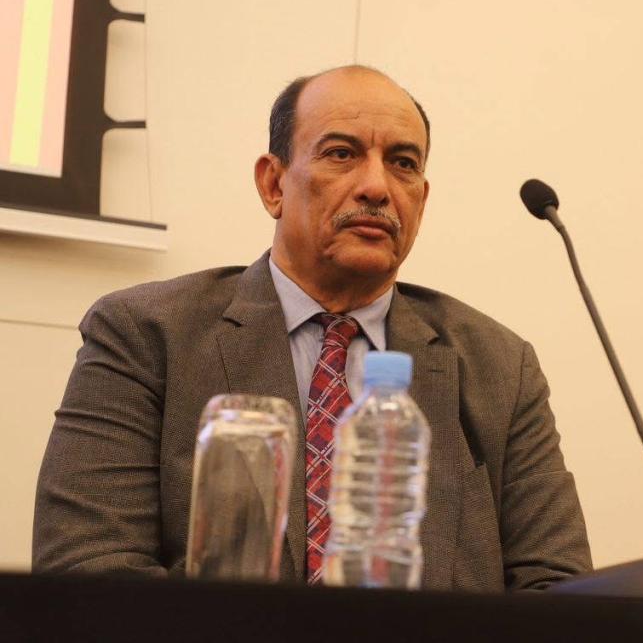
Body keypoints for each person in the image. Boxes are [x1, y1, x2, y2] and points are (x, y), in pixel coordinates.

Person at [33, 65, 592, 590]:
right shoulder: (147, 334)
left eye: (403, 163)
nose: (377, 187)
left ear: (422, 199)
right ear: (273, 184)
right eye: (342, 154)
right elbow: (89, 569)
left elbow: (558, 589)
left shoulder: (499, 366)